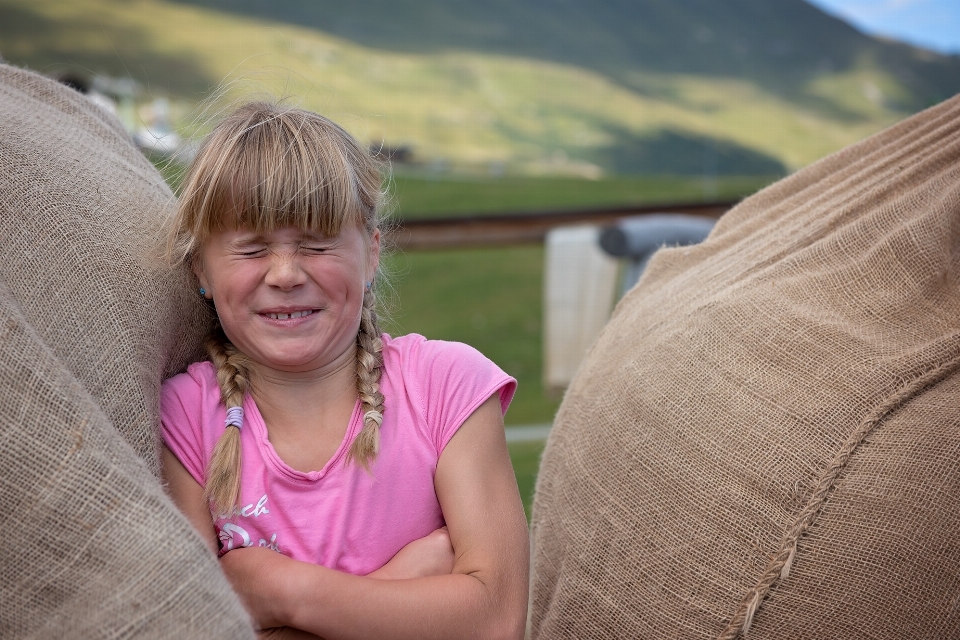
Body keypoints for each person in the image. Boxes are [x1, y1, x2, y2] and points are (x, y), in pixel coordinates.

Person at [159, 101, 529, 639]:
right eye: (252, 248)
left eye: (316, 243)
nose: (285, 273)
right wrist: (407, 581)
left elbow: (496, 620)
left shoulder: (447, 385)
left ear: (372, 252)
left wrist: (283, 592)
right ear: (201, 269)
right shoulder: (183, 419)